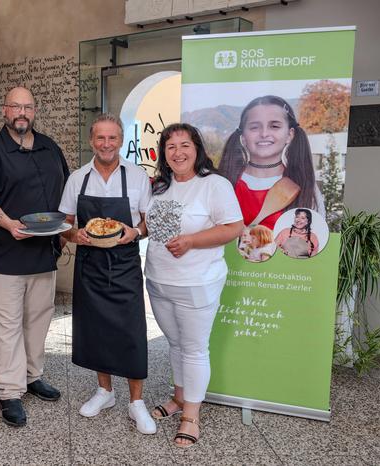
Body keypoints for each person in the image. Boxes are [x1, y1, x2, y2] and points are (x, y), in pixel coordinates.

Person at [0, 86, 70, 427]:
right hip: (4, 255)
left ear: (34, 111)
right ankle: (10, 392)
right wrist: (9, 224)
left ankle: (32, 376)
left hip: (43, 254)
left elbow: (64, 197)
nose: (22, 112)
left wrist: (65, 232)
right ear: (4, 111)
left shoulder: (49, 148)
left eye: (28, 106)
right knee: (5, 326)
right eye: (15, 106)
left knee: (39, 320)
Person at [145, 123, 243, 447]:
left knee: (195, 348)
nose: (178, 152)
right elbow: (148, 224)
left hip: (197, 283)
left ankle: (191, 415)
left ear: (197, 148)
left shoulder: (214, 185)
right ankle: (178, 398)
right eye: (170, 147)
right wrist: (130, 230)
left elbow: (234, 228)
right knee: (175, 344)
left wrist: (191, 241)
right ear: (164, 154)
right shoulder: (159, 187)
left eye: (185, 145)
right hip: (159, 281)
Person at [59, 113, 155, 434]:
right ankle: (105, 392)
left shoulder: (137, 177)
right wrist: (75, 236)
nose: (106, 144)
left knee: (131, 331)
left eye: (112, 138)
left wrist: (135, 232)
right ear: (91, 141)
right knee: (95, 329)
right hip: (90, 266)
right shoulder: (78, 178)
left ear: (121, 140)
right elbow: (64, 223)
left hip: (125, 264)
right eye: (100, 138)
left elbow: (148, 222)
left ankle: (136, 402)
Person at [219, 95, 325, 230]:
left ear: (289, 135)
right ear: (243, 137)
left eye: (274, 126)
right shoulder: (222, 183)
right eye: (254, 127)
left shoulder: (306, 189)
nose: (264, 133)